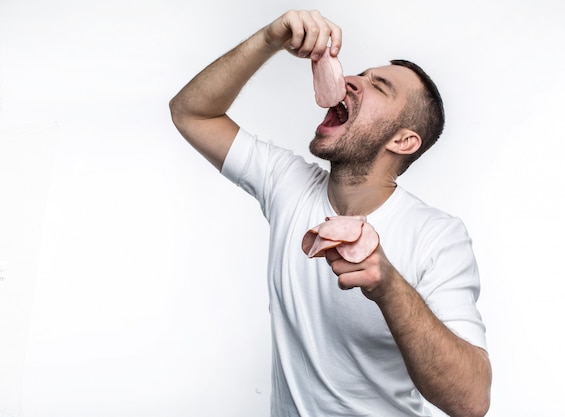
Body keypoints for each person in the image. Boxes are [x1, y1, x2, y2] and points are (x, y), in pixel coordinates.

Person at [169, 9, 492, 417]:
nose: (351, 79)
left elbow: (471, 401)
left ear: (404, 140)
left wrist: (387, 285)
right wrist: (270, 38)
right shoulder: (287, 184)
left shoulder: (436, 236)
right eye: (360, 73)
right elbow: (191, 112)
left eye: (380, 86)